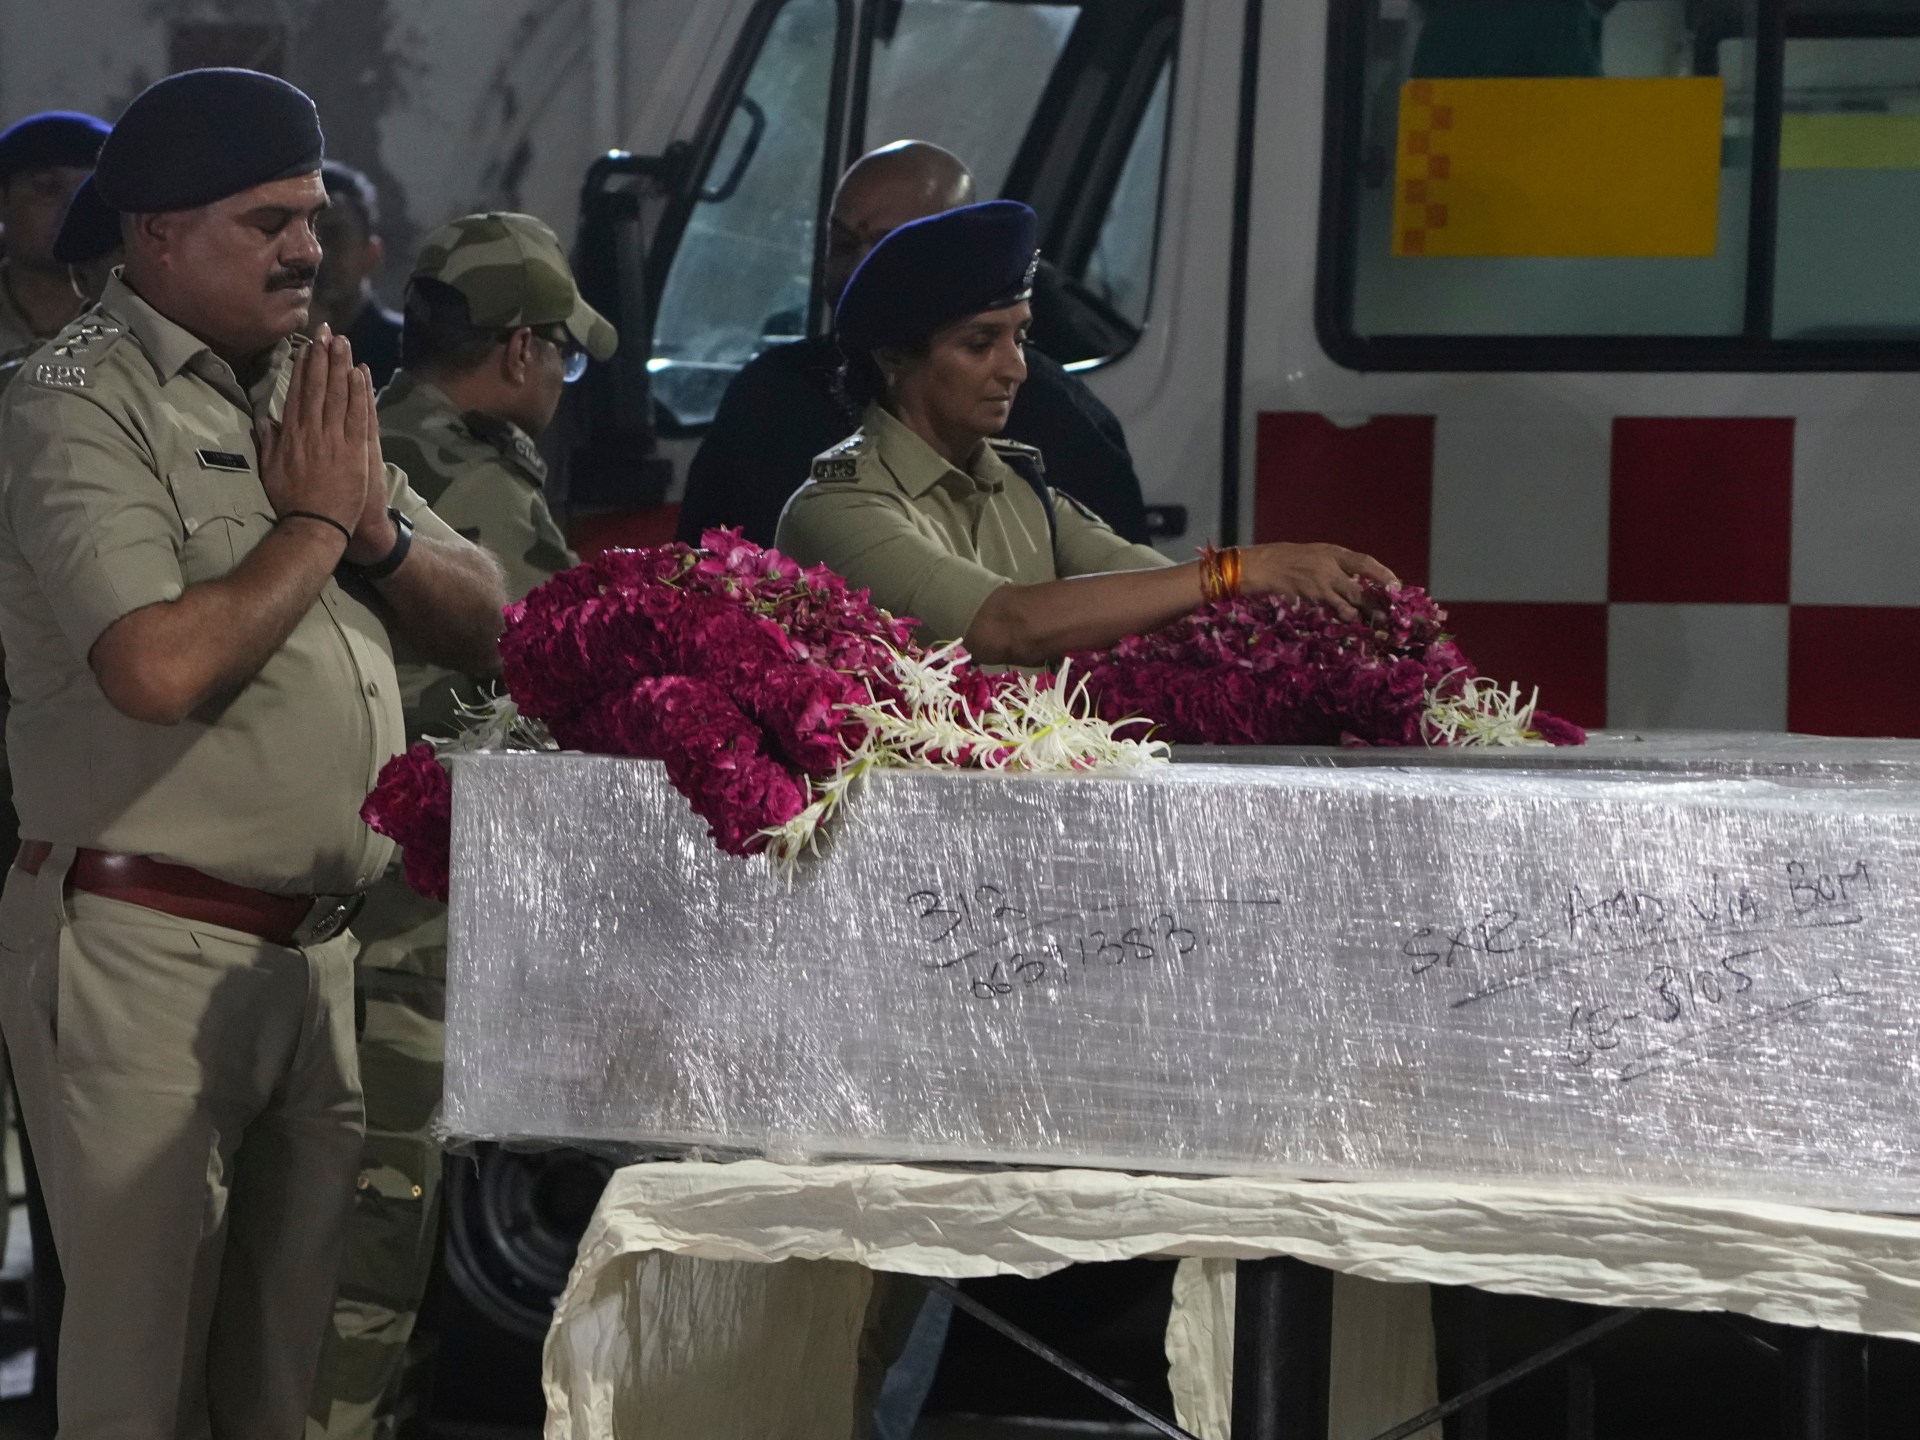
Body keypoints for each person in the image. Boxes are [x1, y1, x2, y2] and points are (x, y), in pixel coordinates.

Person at [0, 67, 508, 1438]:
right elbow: (155, 668)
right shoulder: (71, 398)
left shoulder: (303, 387)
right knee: (142, 1394)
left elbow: (488, 619)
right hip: (146, 949)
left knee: (279, 1397)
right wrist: (316, 529)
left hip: (311, 955)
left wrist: (374, 530)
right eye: (267, 221)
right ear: (158, 231)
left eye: (312, 216)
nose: (308, 248)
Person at [308, 210, 612, 1440]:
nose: (565, 378)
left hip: (346, 894)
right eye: (565, 353)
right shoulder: (473, 477)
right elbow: (562, 678)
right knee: (374, 1262)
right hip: (406, 922)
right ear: (523, 348)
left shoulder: (371, 439)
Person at [776, 200, 1396, 664]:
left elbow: (1161, 592)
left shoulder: (1020, 490)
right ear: (893, 357)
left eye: (1020, 337)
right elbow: (1007, 625)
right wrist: (1239, 570)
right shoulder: (837, 508)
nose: (1016, 369)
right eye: (980, 343)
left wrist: (1319, 609)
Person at [677, 140, 1153, 550]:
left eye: (888, 250)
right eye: (843, 244)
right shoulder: (767, 397)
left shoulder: (1062, 421)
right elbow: (699, 575)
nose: (858, 271)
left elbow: (1120, 595)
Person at [0, 110, 110, 352]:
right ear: (3, 199)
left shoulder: (145, 316)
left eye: (91, 191)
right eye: (47, 187)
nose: (73, 207)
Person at [310, 159, 405, 387]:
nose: (318, 252)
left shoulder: (410, 354)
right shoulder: (266, 344)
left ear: (372, 253)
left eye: (335, 236)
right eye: (310, 235)